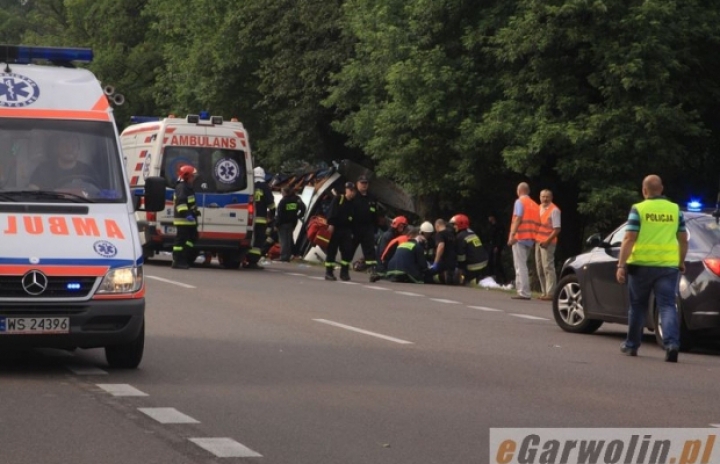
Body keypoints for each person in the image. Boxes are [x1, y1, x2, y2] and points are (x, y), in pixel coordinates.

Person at [616, 175, 687, 362]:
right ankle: (671, 344)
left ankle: (631, 345)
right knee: (667, 306)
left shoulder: (639, 209)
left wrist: (621, 265)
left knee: (637, 307)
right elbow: (683, 239)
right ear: (662, 189)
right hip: (668, 266)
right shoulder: (675, 210)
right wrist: (681, 261)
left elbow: (629, 237)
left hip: (641, 265)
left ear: (644, 190)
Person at [29, 134, 99, 190]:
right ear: (58, 148)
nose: (69, 149)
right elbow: (33, 191)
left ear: (79, 149)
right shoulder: (43, 169)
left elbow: (96, 193)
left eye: (73, 146)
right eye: (64, 145)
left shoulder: (87, 171)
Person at [508, 182, 539, 299]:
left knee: (520, 266)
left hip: (519, 237)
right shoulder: (535, 204)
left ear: (519, 191)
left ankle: (524, 292)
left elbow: (518, 217)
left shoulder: (519, 202)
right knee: (523, 265)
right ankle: (522, 290)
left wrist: (512, 234)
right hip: (530, 238)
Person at [325, 182, 356, 281]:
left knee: (347, 251)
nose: (352, 193)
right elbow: (332, 211)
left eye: (353, 191)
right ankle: (329, 272)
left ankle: (344, 273)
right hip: (336, 228)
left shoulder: (353, 203)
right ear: (346, 190)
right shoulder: (339, 199)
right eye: (350, 190)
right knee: (332, 251)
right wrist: (331, 224)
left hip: (346, 230)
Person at [171, 165, 200, 269]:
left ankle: (185, 258)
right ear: (187, 176)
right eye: (193, 176)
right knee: (180, 241)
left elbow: (189, 203)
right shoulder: (182, 187)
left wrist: (194, 212)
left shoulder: (187, 187)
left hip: (189, 220)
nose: (194, 179)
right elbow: (181, 203)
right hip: (183, 220)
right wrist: (187, 214)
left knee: (192, 238)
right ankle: (178, 260)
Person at [535, 189, 561, 300]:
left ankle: (551, 293)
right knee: (540, 267)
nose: (545, 199)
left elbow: (557, 229)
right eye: (543, 196)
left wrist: (547, 241)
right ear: (540, 197)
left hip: (548, 242)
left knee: (548, 267)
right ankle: (544, 292)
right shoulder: (538, 208)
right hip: (538, 241)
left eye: (547, 197)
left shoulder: (554, 210)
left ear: (551, 198)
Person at [247, 166, 276, 267]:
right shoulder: (265, 187)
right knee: (258, 241)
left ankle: (245, 258)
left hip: (247, 219)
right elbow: (271, 204)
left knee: (249, 239)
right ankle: (253, 261)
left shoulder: (249, 185)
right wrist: (272, 215)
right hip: (261, 219)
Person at [352, 175, 379, 275]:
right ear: (357, 184)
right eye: (362, 183)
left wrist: (375, 228)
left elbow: (375, 214)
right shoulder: (354, 196)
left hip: (368, 228)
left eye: (365, 183)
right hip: (355, 228)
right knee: (349, 249)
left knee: (369, 250)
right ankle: (344, 269)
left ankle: (372, 271)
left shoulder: (372, 198)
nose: (364, 185)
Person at [451, 214, 489, 286]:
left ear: (460, 224)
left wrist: (459, 267)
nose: (453, 227)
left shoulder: (460, 237)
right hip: (484, 263)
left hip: (473, 266)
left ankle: (470, 280)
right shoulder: (471, 233)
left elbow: (461, 257)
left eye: (455, 225)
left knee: (458, 273)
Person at [275, 186, 306, 262]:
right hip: (292, 222)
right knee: (289, 239)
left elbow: (280, 214)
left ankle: (284, 257)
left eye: (282, 192)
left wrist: (276, 224)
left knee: (283, 240)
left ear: (285, 192)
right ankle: (288, 256)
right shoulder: (296, 199)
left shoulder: (283, 201)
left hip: (283, 223)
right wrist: (298, 216)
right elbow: (303, 207)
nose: (281, 193)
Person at [429, 219, 458, 284]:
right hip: (453, 262)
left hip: (443, 262)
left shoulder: (439, 234)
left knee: (428, 275)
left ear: (437, 225)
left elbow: (441, 246)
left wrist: (436, 262)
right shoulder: (451, 234)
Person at [486, 214, 507, 285]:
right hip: (491, 245)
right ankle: (493, 276)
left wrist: (497, 246)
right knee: (490, 261)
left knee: (497, 262)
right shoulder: (491, 226)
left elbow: (499, 237)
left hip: (496, 246)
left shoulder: (498, 226)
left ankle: (501, 278)